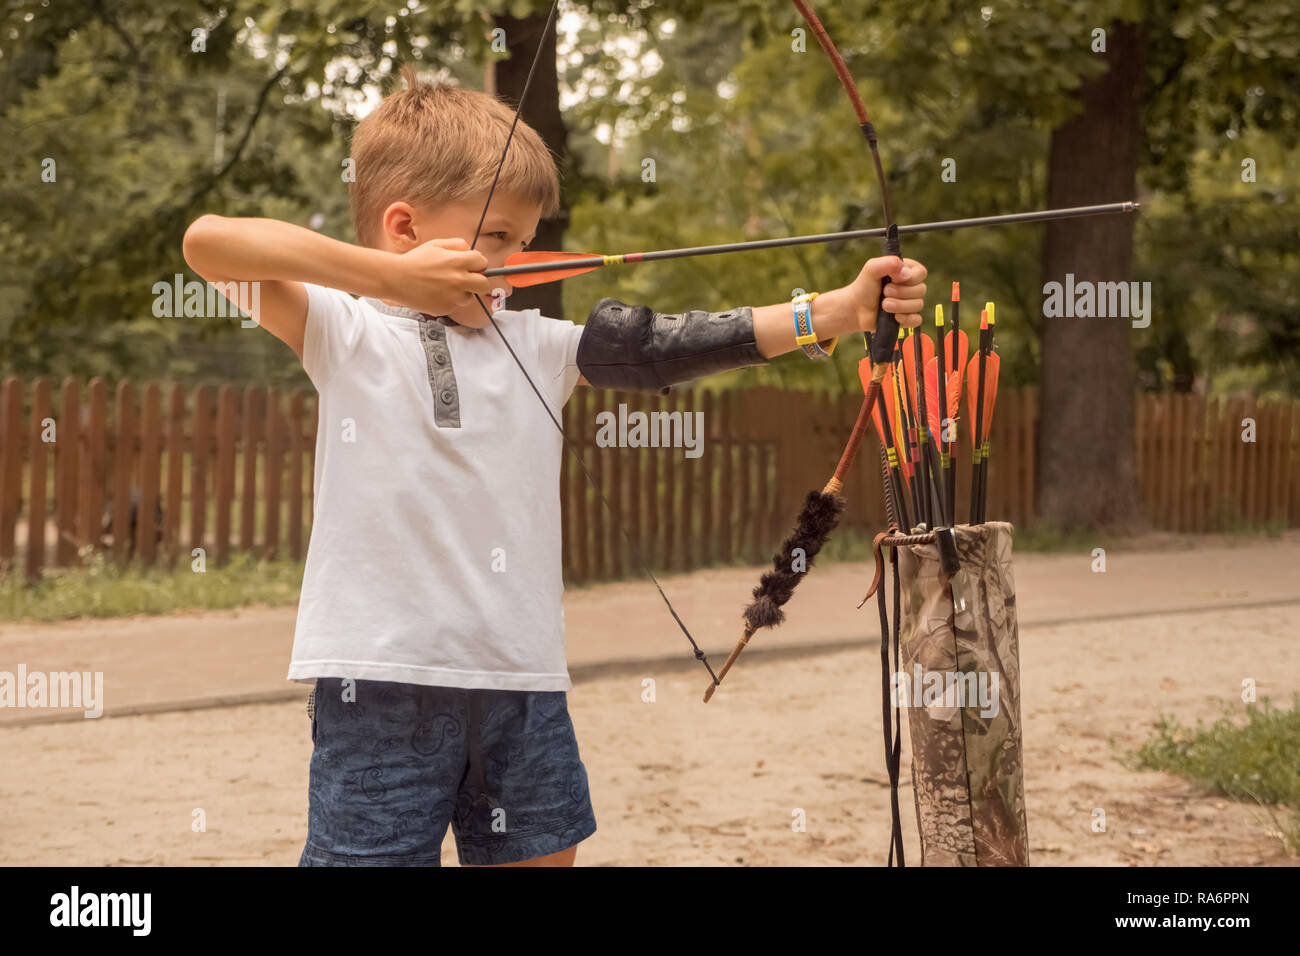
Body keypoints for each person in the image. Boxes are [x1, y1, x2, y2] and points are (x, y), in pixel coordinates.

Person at [181, 66, 928, 867]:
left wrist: (839, 312)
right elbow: (209, 243)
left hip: (520, 679)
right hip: (379, 680)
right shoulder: (344, 329)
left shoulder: (539, 345)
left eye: (525, 242)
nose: (514, 261)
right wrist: (391, 281)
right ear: (402, 227)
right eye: (496, 238)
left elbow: (666, 346)